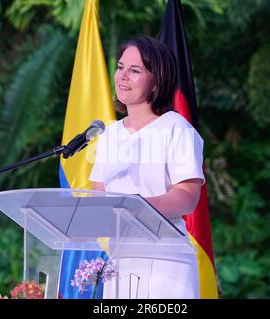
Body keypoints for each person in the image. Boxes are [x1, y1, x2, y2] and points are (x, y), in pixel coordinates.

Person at [89, 35, 205, 299]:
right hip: (120, 262)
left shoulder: (176, 128)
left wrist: (137, 207)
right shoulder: (109, 135)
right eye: (120, 68)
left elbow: (187, 198)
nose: (122, 76)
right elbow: (98, 199)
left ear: (157, 81)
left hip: (166, 262)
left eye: (135, 70)